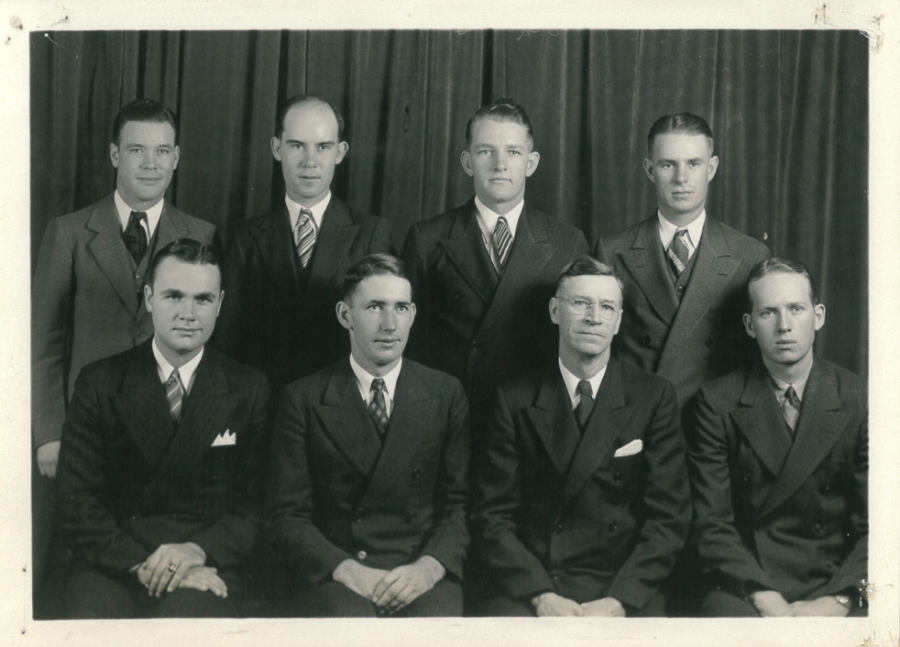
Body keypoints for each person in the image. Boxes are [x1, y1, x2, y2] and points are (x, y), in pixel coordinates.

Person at [30, 98, 217, 616]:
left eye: (162, 151)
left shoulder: (201, 235)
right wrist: (49, 432)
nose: (150, 163)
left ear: (177, 158)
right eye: (137, 150)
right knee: (86, 578)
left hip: (167, 435)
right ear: (115, 155)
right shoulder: (69, 232)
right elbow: (40, 342)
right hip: (89, 437)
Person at [56, 239, 271, 618]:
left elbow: (256, 507)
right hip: (115, 560)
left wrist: (194, 552)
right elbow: (76, 505)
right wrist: (143, 564)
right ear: (149, 298)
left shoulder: (249, 387)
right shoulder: (101, 381)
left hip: (204, 560)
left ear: (220, 304)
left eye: (203, 299)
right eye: (174, 296)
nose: (188, 314)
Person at [472, 256, 690, 617]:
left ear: (619, 321)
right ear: (555, 311)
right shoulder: (513, 398)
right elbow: (492, 517)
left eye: (607, 307)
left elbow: (669, 519)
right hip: (537, 583)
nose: (594, 317)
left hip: (622, 584)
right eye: (581, 304)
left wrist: (621, 599)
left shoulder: (653, 396)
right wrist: (541, 595)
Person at [267, 254, 469, 617]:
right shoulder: (304, 398)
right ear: (345, 315)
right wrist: (346, 570)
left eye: (401, 308)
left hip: (420, 570)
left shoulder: (445, 392)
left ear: (413, 315)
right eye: (375, 307)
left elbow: (459, 506)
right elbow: (287, 516)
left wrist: (429, 567)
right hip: (340, 573)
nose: (390, 324)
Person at [402, 98, 590, 442]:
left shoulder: (567, 242)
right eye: (486, 151)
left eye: (513, 153)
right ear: (467, 161)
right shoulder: (428, 239)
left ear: (531, 163)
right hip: (454, 418)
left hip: (535, 419)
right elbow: (411, 345)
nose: (500, 164)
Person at [687, 258, 867, 617]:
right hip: (748, 586)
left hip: (836, 585)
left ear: (818, 316)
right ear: (750, 325)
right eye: (768, 313)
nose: (784, 326)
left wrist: (839, 600)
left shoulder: (860, 397)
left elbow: (880, 525)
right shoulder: (716, 402)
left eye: (796, 309)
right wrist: (762, 595)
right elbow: (711, 522)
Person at [216, 95, 393, 389]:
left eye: (323, 147)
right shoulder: (245, 238)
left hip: (343, 401)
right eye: (297, 146)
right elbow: (227, 340)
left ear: (340, 151)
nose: (310, 162)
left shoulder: (372, 233)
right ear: (277, 148)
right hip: (265, 403)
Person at [595, 113, 770, 409]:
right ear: (650, 170)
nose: (681, 178)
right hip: (639, 417)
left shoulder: (749, 254)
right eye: (668, 164)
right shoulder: (613, 250)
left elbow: (756, 360)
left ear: (711, 168)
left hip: (714, 422)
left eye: (693, 163)